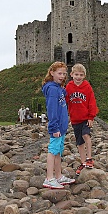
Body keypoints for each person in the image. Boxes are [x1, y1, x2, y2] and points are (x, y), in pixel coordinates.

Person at [42, 61, 75, 189]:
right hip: (57, 127)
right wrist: (53, 127)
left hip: (61, 126)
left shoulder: (59, 88)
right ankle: (49, 178)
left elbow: (66, 94)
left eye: (64, 73)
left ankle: (59, 176)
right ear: (52, 73)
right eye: (59, 73)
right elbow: (52, 110)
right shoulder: (52, 90)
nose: (62, 76)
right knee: (53, 151)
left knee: (58, 152)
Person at [66, 63, 99, 175]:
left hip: (85, 118)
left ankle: (89, 158)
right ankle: (83, 161)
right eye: (76, 74)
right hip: (75, 119)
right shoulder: (69, 87)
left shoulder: (87, 87)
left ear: (84, 76)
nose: (78, 77)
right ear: (71, 75)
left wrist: (91, 117)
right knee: (79, 142)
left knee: (86, 135)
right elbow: (66, 100)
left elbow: (92, 102)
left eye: (81, 75)